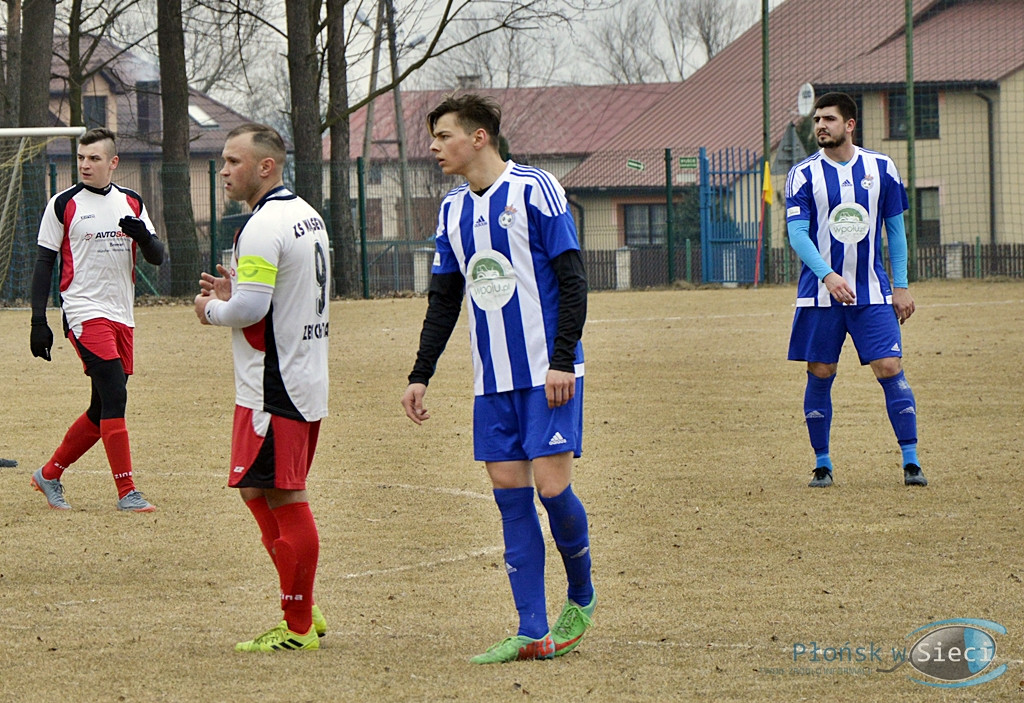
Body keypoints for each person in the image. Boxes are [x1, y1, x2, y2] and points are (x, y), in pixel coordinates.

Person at [401, 94, 596, 664]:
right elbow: (443, 301)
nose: (434, 147)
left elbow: (573, 279)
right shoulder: (451, 211)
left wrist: (563, 359)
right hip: (493, 381)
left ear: (479, 137)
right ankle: (531, 629)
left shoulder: (537, 189)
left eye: (443, 135)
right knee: (511, 498)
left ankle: (581, 595)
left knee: (553, 489)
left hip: (548, 371)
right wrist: (421, 375)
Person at [194, 123, 330, 652]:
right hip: (298, 374)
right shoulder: (305, 214)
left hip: (276, 387)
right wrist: (239, 292)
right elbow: (273, 294)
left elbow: (249, 310)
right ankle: (303, 602)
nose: (224, 171)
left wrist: (211, 309)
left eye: (232, 161)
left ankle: (297, 627)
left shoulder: (261, 225)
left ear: (265, 166)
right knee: (256, 489)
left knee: (284, 494)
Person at [785, 92, 926, 489]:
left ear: (849, 124)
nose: (819, 126)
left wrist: (901, 286)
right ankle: (822, 463)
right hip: (819, 294)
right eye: (816, 120)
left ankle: (911, 461)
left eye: (828, 119)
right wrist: (828, 275)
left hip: (872, 293)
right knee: (821, 371)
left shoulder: (881, 168)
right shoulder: (802, 174)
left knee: (889, 367)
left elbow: (895, 232)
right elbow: (797, 235)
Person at [29, 127, 165, 512]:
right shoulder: (63, 203)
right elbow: (43, 263)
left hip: (122, 313)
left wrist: (145, 238)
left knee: (101, 404)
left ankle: (50, 473)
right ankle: (127, 493)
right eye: (81, 158)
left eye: (94, 158)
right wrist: (39, 320)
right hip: (84, 310)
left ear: (113, 163)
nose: (85, 165)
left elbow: (157, 256)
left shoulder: (132, 203)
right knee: (115, 394)